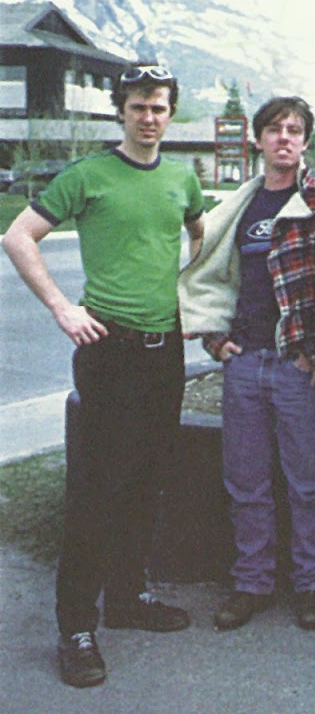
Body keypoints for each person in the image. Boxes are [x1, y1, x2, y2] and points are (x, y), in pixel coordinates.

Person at [2, 63, 205, 688]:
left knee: (146, 480)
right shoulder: (88, 175)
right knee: (97, 490)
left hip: (164, 351)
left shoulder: (181, 178)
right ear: (121, 111)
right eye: (139, 106)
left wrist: (195, 304)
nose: (149, 117)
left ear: (171, 114)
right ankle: (76, 627)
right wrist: (63, 308)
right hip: (108, 352)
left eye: (159, 107)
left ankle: (126, 597)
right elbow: (19, 237)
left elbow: (201, 236)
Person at [178, 96, 315, 632]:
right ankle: (252, 584)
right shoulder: (241, 206)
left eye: (294, 129)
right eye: (274, 129)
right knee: (246, 484)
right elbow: (214, 276)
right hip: (244, 363)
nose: (284, 138)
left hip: (298, 365)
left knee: (308, 485)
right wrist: (215, 340)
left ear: (305, 141)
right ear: (259, 140)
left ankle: (311, 587)